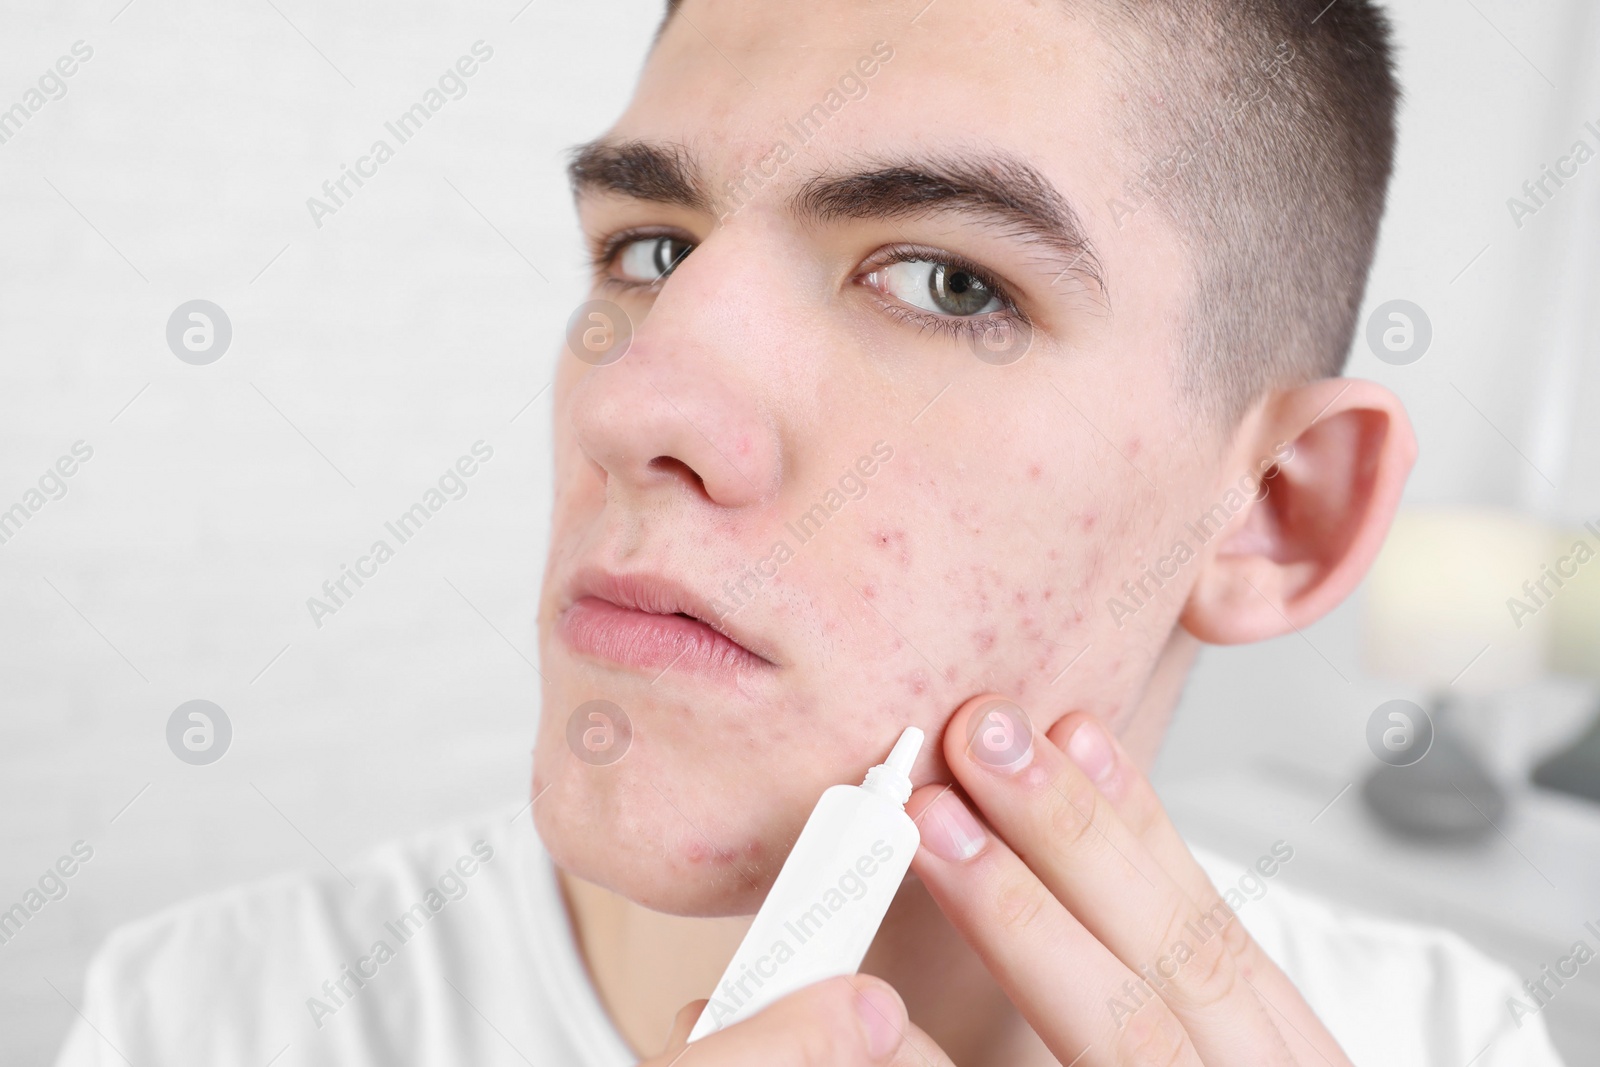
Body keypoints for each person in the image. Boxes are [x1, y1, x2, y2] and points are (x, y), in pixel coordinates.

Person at [57, 0, 1568, 1064]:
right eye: (648, 250)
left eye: (947, 283)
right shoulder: (211, 1017)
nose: (636, 405)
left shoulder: (1448, 1040)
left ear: (1278, 521)